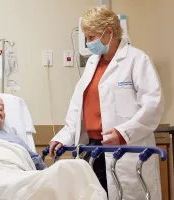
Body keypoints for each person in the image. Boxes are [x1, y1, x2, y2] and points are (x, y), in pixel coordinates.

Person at [49, 5, 164, 200]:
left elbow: (153, 104)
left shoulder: (136, 60)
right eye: (86, 37)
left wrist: (123, 132)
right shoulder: (92, 64)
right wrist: (64, 136)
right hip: (93, 148)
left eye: (91, 37)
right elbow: (78, 107)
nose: (87, 43)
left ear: (109, 32)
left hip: (127, 148)